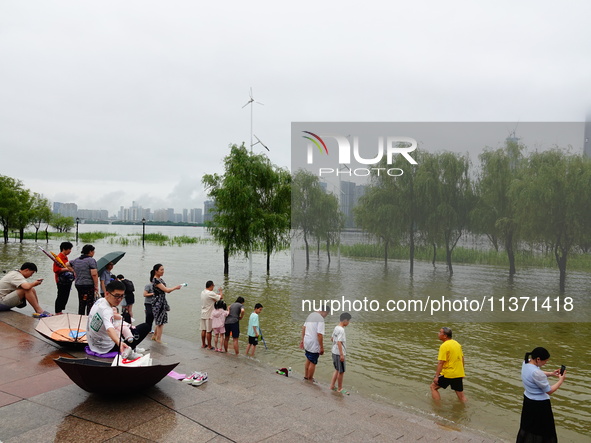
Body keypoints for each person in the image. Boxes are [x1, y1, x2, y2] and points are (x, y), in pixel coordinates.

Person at [516, 347, 566, 442]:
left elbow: (536, 374)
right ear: (538, 359)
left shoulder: (526, 362)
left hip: (528, 401)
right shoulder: (537, 373)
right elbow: (549, 390)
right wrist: (561, 380)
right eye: (545, 361)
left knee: (528, 427)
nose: (545, 363)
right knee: (544, 430)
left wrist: (551, 373)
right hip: (540, 405)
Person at [87, 280, 150, 354]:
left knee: (124, 327)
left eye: (121, 296)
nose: (119, 299)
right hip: (106, 348)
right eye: (116, 296)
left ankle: (133, 346)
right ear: (107, 294)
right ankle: (132, 348)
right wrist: (119, 343)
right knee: (145, 327)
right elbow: (109, 329)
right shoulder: (107, 310)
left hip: (93, 344)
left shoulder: (100, 301)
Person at [430, 327, 467, 402]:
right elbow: (462, 358)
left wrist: (436, 376)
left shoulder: (444, 346)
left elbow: (441, 362)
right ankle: (464, 411)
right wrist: (462, 372)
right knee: (461, 396)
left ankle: (437, 410)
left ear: (445, 336)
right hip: (458, 373)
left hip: (448, 373)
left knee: (433, 387)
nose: (438, 334)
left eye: (440, 332)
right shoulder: (457, 344)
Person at [150, 263, 182, 343]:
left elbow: (165, 290)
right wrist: (176, 287)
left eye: (163, 269)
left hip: (161, 301)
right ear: (156, 271)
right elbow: (167, 290)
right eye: (161, 270)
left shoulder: (159, 279)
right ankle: (158, 339)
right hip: (158, 302)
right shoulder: (156, 280)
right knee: (160, 322)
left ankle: (154, 336)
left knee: (159, 320)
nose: (163, 271)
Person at [300, 307, 329, 382]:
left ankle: (306, 376)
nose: (326, 315)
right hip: (313, 343)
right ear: (324, 311)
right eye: (327, 313)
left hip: (307, 340)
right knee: (313, 362)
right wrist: (321, 347)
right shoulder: (320, 319)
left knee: (308, 359)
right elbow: (319, 334)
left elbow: (304, 327)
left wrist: (302, 340)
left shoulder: (311, 315)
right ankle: (310, 379)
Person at [70, 244, 99, 315]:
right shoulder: (91, 260)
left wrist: (74, 271)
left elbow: (67, 264)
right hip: (88, 284)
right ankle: (88, 318)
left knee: (82, 302)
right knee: (89, 303)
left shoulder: (76, 260)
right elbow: (94, 274)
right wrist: (96, 286)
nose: (94, 253)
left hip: (78, 284)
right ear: (90, 252)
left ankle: (80, 316)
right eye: (93, 251)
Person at [329, 312, 352, 394]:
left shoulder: (336, 327)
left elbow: (332, 339)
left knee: (337, 369)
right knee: (341, 371)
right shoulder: (341, 330)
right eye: (348, 321)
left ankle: (332, 386)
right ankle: (340, 388)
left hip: (334, 352)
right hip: (339, 353)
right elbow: (339, 342)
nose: (349, 323)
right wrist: (342, 354)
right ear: (345, 320)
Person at [53, 241, 74, 315]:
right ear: (64, 249)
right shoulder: (58, 257)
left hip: (66, 280)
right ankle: (58, 311)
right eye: (69, 249)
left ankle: (61, 310)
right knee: (61, 295)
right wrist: (67, 269)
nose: (70, 251)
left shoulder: (65, 257)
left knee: (65, 295)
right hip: (61, 280)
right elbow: (56, 270)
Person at [200, 281, 222, 349]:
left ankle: (203, 344)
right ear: (211, 286)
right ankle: (209, 346)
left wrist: (216, 295)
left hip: (203, 313)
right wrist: (220, 292)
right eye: (213, 286)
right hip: (209, 314)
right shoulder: (210, 293)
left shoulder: (203, 292)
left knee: (203, 330)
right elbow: (220, 297)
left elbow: (213, 298)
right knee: (209, 331)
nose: (213, 287)